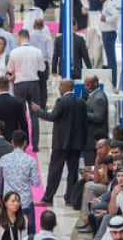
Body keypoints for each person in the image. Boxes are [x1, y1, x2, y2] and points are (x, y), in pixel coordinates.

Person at [34, 78, 88, 206]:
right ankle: (70, 198)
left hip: (60, 143)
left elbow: (52, 117)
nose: (59, 88)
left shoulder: (61, 101)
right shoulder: (81, 103)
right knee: (72, 172)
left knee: (55, 171)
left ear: (67, 87)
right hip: (76, 144)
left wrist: (38, 111)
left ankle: (48, 198)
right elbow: (84, 124)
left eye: (61, 85)